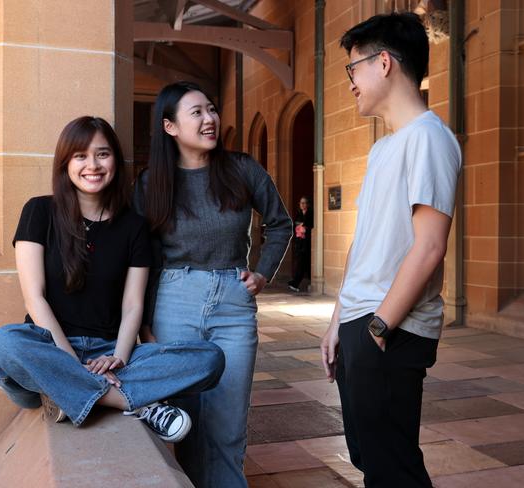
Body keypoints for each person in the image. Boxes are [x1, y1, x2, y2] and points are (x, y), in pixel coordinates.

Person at [0, 116, 225, 443]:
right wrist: (67, 360)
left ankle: (68, 395)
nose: (92, 165)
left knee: (209, 358)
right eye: (80, 156)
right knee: (0, 345)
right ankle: (134, 404)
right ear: (65, 163)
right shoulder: (38, 212)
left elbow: (132, 305)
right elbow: (34, 298)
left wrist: (120, 356)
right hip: (48, 351)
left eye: (102, 154)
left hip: (109, 351)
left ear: (115, 160)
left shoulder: (133, 227)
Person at [320, 13, 461, 488]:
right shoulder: (385, 148)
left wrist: (379, 326)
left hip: (392, 327)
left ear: (383, 63)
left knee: (392, 468)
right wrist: (340, 320)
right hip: (364, 322)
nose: (352, 83)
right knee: (369, 456)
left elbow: (429, 246)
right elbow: (366, 244)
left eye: (353, 68)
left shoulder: (429, 138)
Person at [134, 81, 292, 488]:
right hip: (172, 302)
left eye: (212, 109)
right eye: (197, 113)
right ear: (170, 127)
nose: (210, 119)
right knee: (188, 423)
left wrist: (262, 272)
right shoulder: (153, 182)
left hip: (233, 304)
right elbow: (142, 255)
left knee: (227, 423)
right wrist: (143, 325)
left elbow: (280, 223)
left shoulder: (241, 168)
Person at [288, 196, 313, 292]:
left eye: (304, 203)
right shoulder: (298, 214)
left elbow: (309, 225)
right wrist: (301, 227)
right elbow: (296, 225)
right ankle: (295, 282)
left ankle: (296, 282)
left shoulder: (310, 214)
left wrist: (304, 227)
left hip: (307, 242)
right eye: (301, 203)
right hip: (299, 242)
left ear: (307, 204)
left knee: (305, 263)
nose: (302, 205)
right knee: (301, 262)